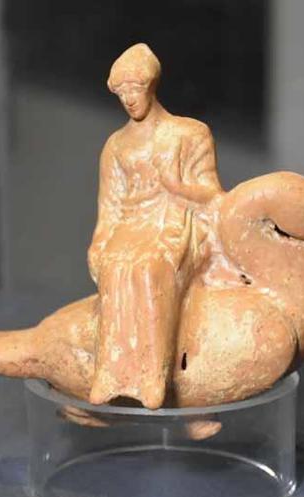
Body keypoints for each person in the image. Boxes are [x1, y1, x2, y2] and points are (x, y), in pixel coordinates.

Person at [87, 43, 223, 409]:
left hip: (176, 220)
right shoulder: (116, 146)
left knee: (149, 267)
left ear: (151, 85)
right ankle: (111, 374)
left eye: (135, 88)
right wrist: (99, 243)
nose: (130, 99)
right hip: (131, 225)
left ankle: (152, 376)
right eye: (122, 93)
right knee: (115, 265)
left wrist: (177, 186)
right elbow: (110, 205)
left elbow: (214, 196)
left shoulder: (189, 133)